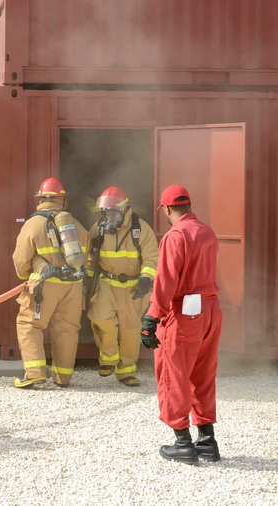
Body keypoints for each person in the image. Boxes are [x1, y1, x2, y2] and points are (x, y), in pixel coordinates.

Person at [140, 184, 222, 464]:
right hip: (210, 309)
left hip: (184, 313)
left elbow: (166, 282)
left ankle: (182, 443)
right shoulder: (207, 231)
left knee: (173, 373)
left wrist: (152, 317)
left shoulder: (175, 236)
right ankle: (207, 441)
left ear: (166, 209)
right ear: (189, 204)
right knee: (203, 374)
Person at [12, 178, 88, 388]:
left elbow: (20, 259)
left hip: (45, 286)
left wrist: (26, 277)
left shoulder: (33, 224)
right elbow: (88, 253)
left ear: (41, 199)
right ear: (63, 199)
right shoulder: (75, 225)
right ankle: (63, 377)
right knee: (67, 329)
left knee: (29, 324)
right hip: (73, 286)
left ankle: (35, 372)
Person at [84, 186, 160, 387]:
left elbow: (152, 256)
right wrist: (86, 279)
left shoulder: (140, 229)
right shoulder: (97, 230)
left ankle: (126, 371)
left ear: (126, 210)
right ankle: (109, 357)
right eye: (106, 212)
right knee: (99, 318)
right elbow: (91, 258)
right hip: (106, 283)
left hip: (134, 286)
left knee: (130, 330)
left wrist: (146, 278)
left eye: (113, 212)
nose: (109, 217)